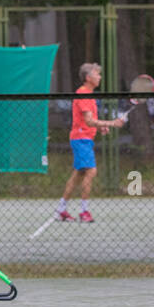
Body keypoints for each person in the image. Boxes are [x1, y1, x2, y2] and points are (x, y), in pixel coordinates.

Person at [55, 62, 122, 223]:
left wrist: (101, 128)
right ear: (88, 78)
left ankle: (61, 209)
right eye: (96, 74)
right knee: (91, 171)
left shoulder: (89, 95)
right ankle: (84, 212)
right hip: (81, 139)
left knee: (78, 174)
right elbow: (89, 121)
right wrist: (111, 123)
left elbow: (89, 121)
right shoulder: (83, 94)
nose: (99, 77)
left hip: (84, 138)